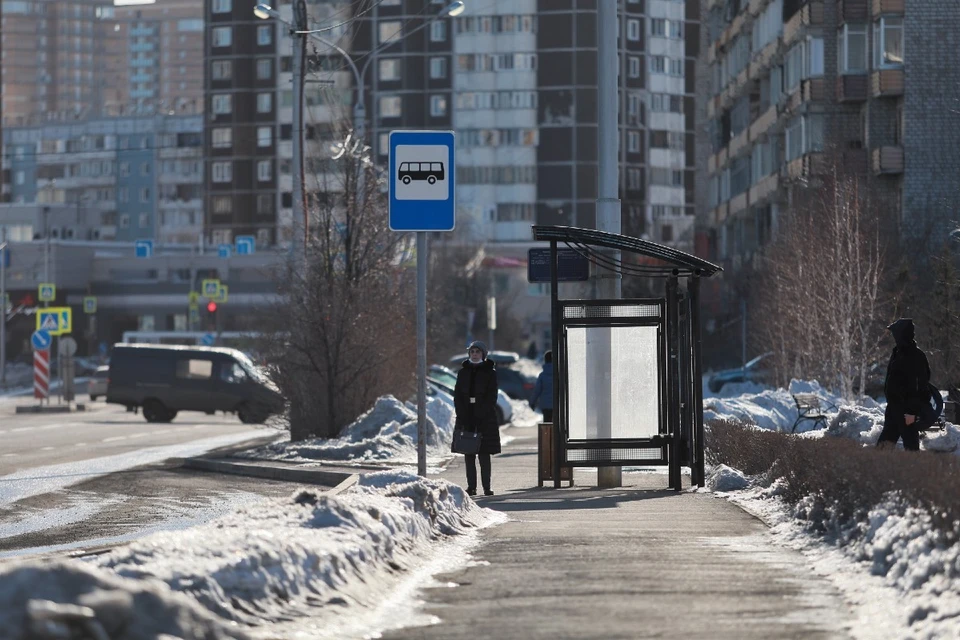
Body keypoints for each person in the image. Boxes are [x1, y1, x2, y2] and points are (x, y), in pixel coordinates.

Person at [453, 341, 501, 496]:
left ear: (483, 354)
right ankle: (471, 486)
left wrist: (483, 412)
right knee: (469, 453)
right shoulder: (463, 372)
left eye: (477, 352)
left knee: (484, 453)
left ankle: (487, 487)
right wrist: (462, 413)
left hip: (485, 418)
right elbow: (458, 395)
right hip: (466, 416)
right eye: (472, 351)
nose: (474, 354)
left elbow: (492, 395)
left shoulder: (489, 372)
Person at [877, 318, 930, 451]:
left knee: (911, 451)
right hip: (893, 409)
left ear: (902, 334)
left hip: (907, 412)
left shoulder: (917, 356)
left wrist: (914, 413)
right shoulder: (897, 352)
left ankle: (913, 472)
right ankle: (878, 472)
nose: (894, 336)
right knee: (882, 450)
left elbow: (923, 387)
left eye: (895, 333)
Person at [529, 350, 554, 422]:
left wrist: (532, 403)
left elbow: (537, 391)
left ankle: (548, 433)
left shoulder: (542, 375)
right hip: (558, 405)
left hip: (545, 405)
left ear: (545, 360)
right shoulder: (559, 374)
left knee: (547, 423)